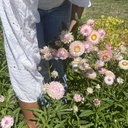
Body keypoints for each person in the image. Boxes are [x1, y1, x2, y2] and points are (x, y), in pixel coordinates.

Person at [0, 0, 91, 128]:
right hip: (25, 8)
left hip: (60, 7)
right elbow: (22, 58)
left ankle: (61, 108)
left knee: (58, 59)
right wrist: (35, 123)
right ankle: (45, 108)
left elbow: (79, 4)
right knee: (39, 65)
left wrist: (68, 34)